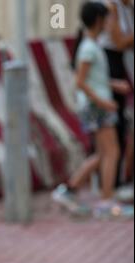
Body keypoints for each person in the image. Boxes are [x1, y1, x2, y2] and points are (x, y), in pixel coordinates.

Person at [52, 2, 131, 216]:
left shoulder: (92, 46)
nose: (112, 23)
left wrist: (114, 85)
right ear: (99, 20)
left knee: (102, 154)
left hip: (98, 104)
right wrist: (103, 101)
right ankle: (106, 200)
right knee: (111, 152)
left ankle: (69, 189)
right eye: (109, 19)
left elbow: (94, 79)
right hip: (97, 107)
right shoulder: (89, 47)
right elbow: (80, 82)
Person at [99, 0, 134, 187]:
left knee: (120, 131)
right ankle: (109, 186)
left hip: (120, 68)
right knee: (111, 139)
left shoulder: (127, 8)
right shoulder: (112, 7)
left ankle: (116, 182)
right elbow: (119, 41)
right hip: (112, 68)